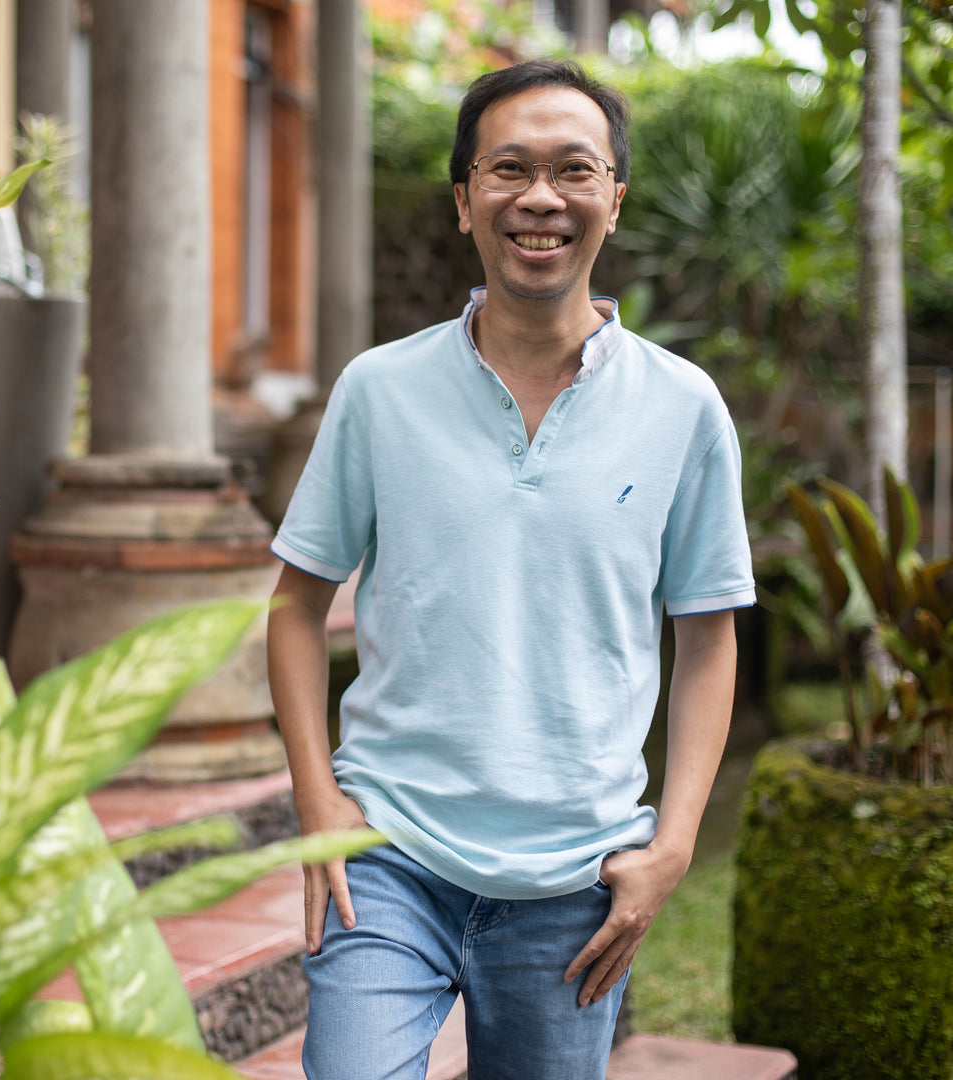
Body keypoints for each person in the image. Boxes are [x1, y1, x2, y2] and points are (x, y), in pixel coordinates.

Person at [266, 57, 755, 1080]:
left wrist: (672, 847)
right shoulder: (379, 391)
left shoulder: (684, 407)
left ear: (613, 200)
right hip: (388, 856)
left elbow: (708, 635)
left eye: (574, 169)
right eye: (507, 169)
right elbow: (296, 609)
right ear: (463, 201)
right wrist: (317, 801)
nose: (540, 197)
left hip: (575, 880)